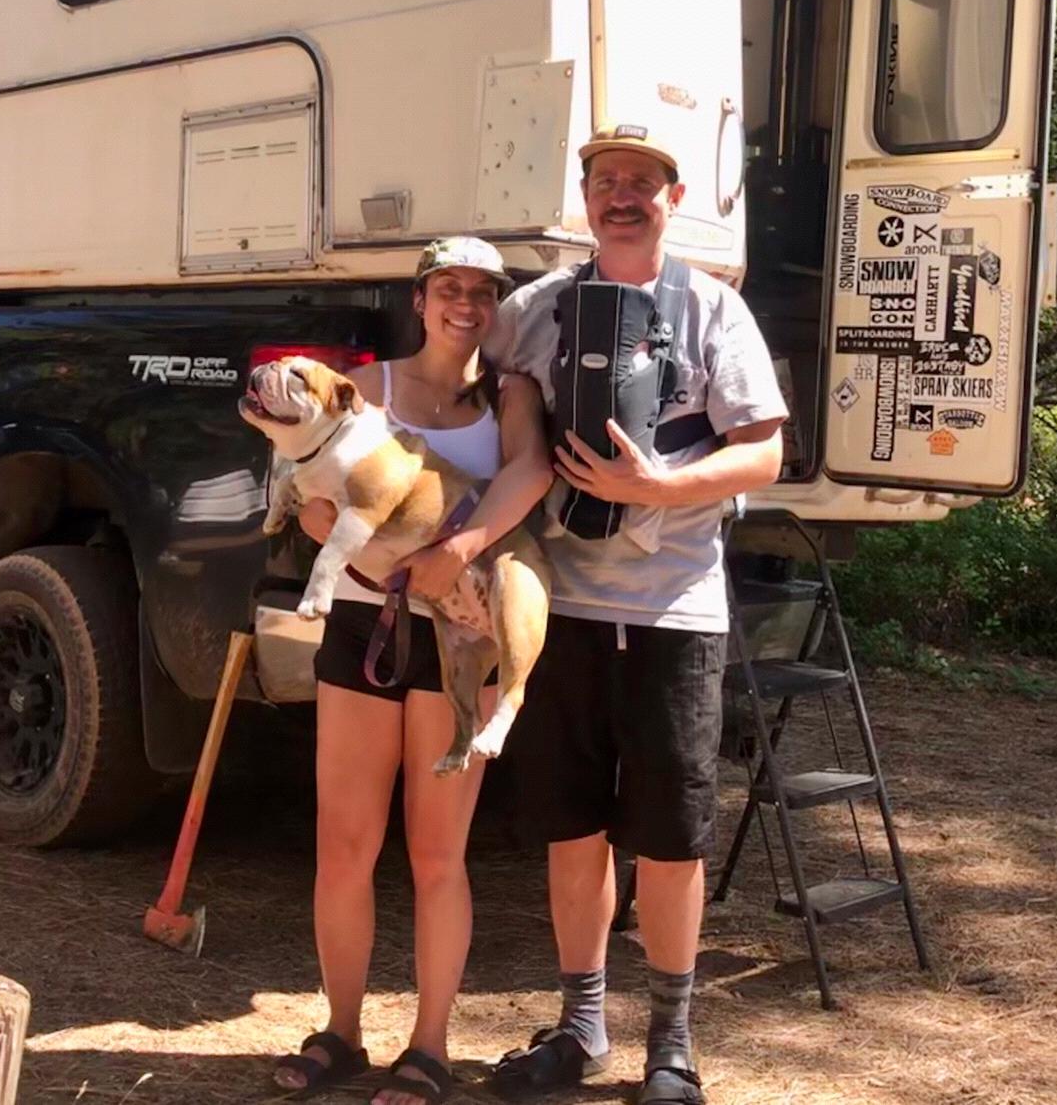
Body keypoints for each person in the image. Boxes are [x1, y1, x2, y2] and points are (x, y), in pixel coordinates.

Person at [482, 126, 787, 1105]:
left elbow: (764, 455)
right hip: (557, 614)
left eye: (641, 183)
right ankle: (580, 1028)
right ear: (581, 197)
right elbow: (492, 422)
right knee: (570, 831)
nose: (621, 196)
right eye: (604, 181)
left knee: (668, 840)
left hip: (673, 619)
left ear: (673, 195)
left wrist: (653, 488)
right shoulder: (531, 312)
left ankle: (671, 1044)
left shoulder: (712, 309)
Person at [272, 237, 555, 1105]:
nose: (462, 304)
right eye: (447, 288)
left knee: (438, 852)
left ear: (495, 305)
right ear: (421, 297)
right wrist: (318, 526)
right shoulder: (370, 383)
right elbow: (308, 480)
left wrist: (457, 550)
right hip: (362, 629)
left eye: (480, 291)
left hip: (451, 640)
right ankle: (342, 1030)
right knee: (343, 845)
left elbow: (531, 473)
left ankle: (429, 1046)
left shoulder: (510, 395)